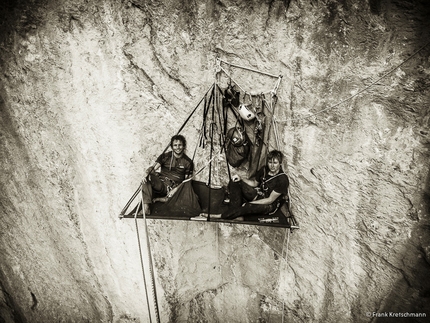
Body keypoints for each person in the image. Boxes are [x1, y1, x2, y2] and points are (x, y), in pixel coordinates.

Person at [191, 150, 289, 221]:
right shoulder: (264, 170)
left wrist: (250, 204)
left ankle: (218, 216)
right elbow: (254, 183)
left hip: (268, 205)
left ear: (280, 164)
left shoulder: (282, 179)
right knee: (235, 182)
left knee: (247, 207)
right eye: (270, 162)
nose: (272, 165)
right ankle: (236, 213)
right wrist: (241, 178)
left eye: (275, 163)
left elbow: (270, 200)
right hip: (258, 195)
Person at [142, 135, 194, 214]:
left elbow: (186, 181)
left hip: (175, 188)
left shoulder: (188, 162)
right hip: (161, 184)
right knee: (146, 179)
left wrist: (175, 190)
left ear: (183, 146)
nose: (177, 147)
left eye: (180, 145)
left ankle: (161, 199)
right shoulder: (165, 156)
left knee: (185, 195)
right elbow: (152, 168)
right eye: (175, 145)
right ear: (172, 147)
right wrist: (146, 174)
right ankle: (146, 209)